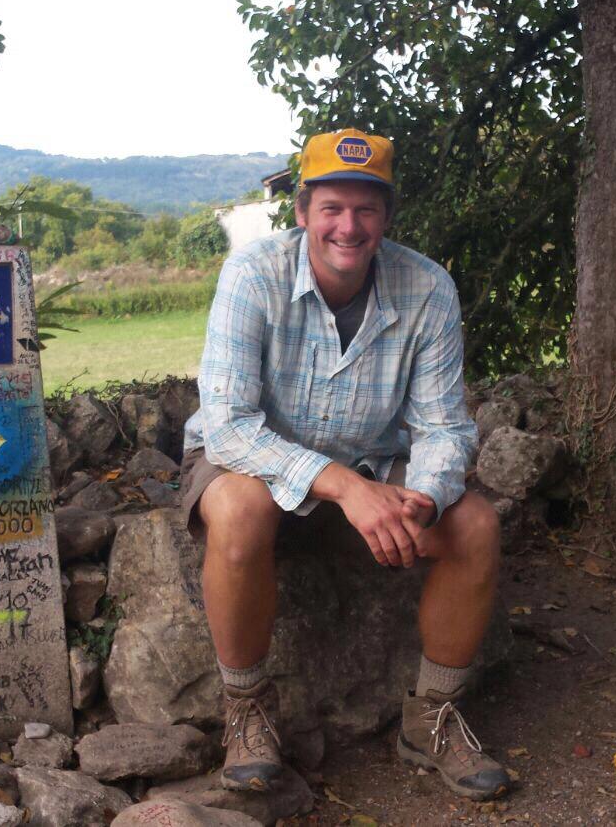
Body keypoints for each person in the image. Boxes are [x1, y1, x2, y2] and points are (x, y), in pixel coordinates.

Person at [179, 128, 509, 800]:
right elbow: (230, 427)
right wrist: (345, 489)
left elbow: (443, 426)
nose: (347, 226)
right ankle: (246, 708)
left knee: (473, 526)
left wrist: (423, 497)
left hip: (372, 458)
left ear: (386, 217)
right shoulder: (254, 273)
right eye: (331, 207)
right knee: (239, 511)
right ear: (301, 212)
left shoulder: (427, 287)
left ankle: (431, 718)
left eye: (366, 209)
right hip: (251, 461)